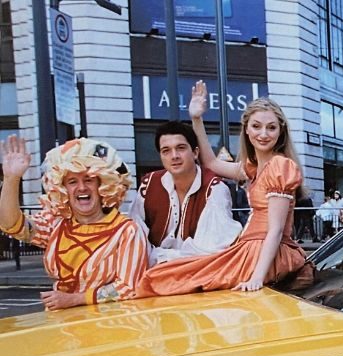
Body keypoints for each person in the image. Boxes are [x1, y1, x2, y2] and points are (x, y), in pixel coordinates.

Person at [137, 81, 307, 296]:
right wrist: (197, 118)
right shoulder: (253, 168)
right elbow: (211, 163)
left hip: (265, 253)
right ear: (246, 129)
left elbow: (275, 230)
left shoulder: (280, 166)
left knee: (177, 278)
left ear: (280, 132)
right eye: (256, 126)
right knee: (170, 273)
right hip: (249, 249)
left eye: (271, 127)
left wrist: (256, 276)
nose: (263, 134)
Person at [0, 135, 148, 309]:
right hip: (61, 326)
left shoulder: (126, 230)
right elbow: (12, 225)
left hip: (108, 326)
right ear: (63, 189)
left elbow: (129, 287)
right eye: (72, 181)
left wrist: (74, 299)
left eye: (88, 180)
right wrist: (11, 179)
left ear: (103, 185)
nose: (82, 187)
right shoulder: (56, 225)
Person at [129, 121, 241, 266]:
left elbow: (212, 251)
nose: (174, 156)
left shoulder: (214, 188)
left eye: (180, 148)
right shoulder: (148, 184)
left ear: (195, 152)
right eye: (166, 151)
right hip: (152, 272)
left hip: (197, 273)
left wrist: (158, 256)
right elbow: (134, 238)